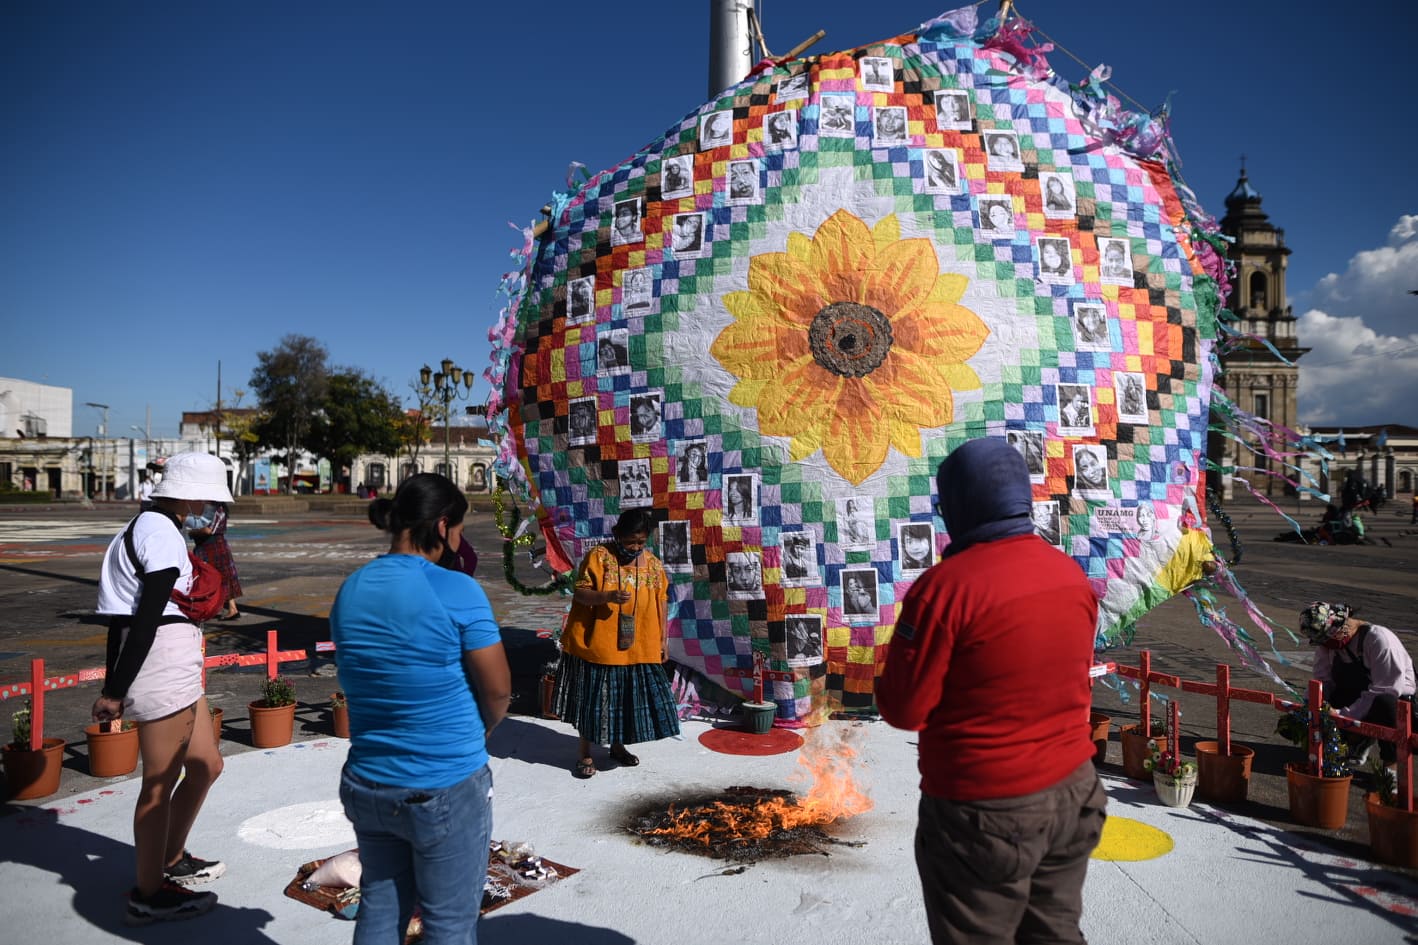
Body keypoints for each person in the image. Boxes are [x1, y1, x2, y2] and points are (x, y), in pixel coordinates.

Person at [879, 438, 1105, 945]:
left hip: (986, 812)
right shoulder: (1069, 575)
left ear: (959, 503)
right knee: (1055, 934)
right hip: (1075, 792)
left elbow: (903, 709)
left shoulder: (945, 589)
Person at [333, 473, 509, 944]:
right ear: (442, 524)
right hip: (442, 783)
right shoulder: (455, 589)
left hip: (367, 780)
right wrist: (481, 730)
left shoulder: (351, 588)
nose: (459, 543)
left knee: (380, 908)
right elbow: (497, 691)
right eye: (458, 531)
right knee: (449, 924)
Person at [93, 451, 234, 926]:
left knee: (206, 764)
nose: (210, 505)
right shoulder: (160, 533)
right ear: (192, 491)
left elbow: (120, 618)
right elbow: (146, 614)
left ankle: (170, 860)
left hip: (169, 657)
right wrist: (115, 689)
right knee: (159, 782)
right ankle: (149, 892)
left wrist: (117, 679)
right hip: (161, 660)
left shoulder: (148, 527)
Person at [553, 509, 679, 778]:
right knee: (593, 703)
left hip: (638, 648)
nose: (635, 547)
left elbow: (662, 601)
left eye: (640, 542)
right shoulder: (599, 557)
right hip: (600, 647)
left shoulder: (654, 565)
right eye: (630, 541)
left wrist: (663, 640)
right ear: (617, 535)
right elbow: (581, 593)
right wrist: (607, 596)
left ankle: (617, 747)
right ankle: (585, 753)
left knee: (624, 702)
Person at [1300, 601, 1417, 769]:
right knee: (1326, 700)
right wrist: (1309, 705)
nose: (1328, 646)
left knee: (1386, 704)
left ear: (1343, 625)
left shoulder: (1379, 639)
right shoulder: (1326, 644)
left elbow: (1386, 689)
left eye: (1331, 640)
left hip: (1396, 703)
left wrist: (1343, 715)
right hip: (1359, 696)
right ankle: (1354, 743)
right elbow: (1323, 681)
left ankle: (1391, 767)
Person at [187, 502, 242, 620]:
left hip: (210, 546)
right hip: (218, 544)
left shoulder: (214, 509)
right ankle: (232, 608)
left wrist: (192, 532)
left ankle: (209, 608)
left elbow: (208, 530)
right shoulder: (221, 508)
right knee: (224, 577)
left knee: (205, 577)